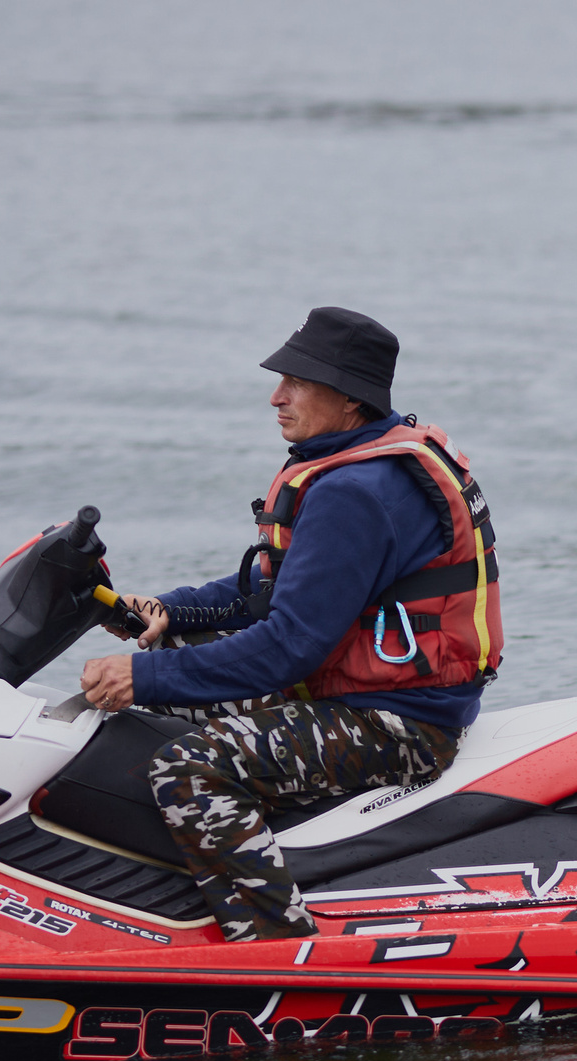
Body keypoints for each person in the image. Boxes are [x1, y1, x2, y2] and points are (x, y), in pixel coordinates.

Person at [79, 307, 503, 942]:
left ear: (350, 397)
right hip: (377, 693)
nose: (276, 397)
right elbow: (276, 588)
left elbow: (289, 648)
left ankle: (275, 942)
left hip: (398, 723)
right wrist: (169, 611)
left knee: (188, 766)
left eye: (297, 382)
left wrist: (143, 676)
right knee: (173, 659)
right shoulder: (364, 462)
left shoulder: (355, 491)